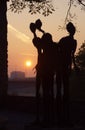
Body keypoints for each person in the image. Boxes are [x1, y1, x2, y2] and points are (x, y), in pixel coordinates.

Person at [56, 22, 77, 126]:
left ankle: (64, 117)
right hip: (62, 67)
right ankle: (61, 117)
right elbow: (58, 52)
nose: (73, 30)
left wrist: (75, 66)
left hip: (65, 67)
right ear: (70, 30)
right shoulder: (65, 40)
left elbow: (72, 56)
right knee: (61, 91)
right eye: (71, 28)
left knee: (65, 91)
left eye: (73, 28)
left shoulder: (73, 41)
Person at [30, 19, 45, 123]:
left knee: (39, 91)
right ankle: (41, 117)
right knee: (42, 91)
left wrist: (37, 31)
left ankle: (40, 117)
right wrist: (40, 31)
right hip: (42, 67)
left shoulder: (38, 40)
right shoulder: (40, 40)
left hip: (41, 67)